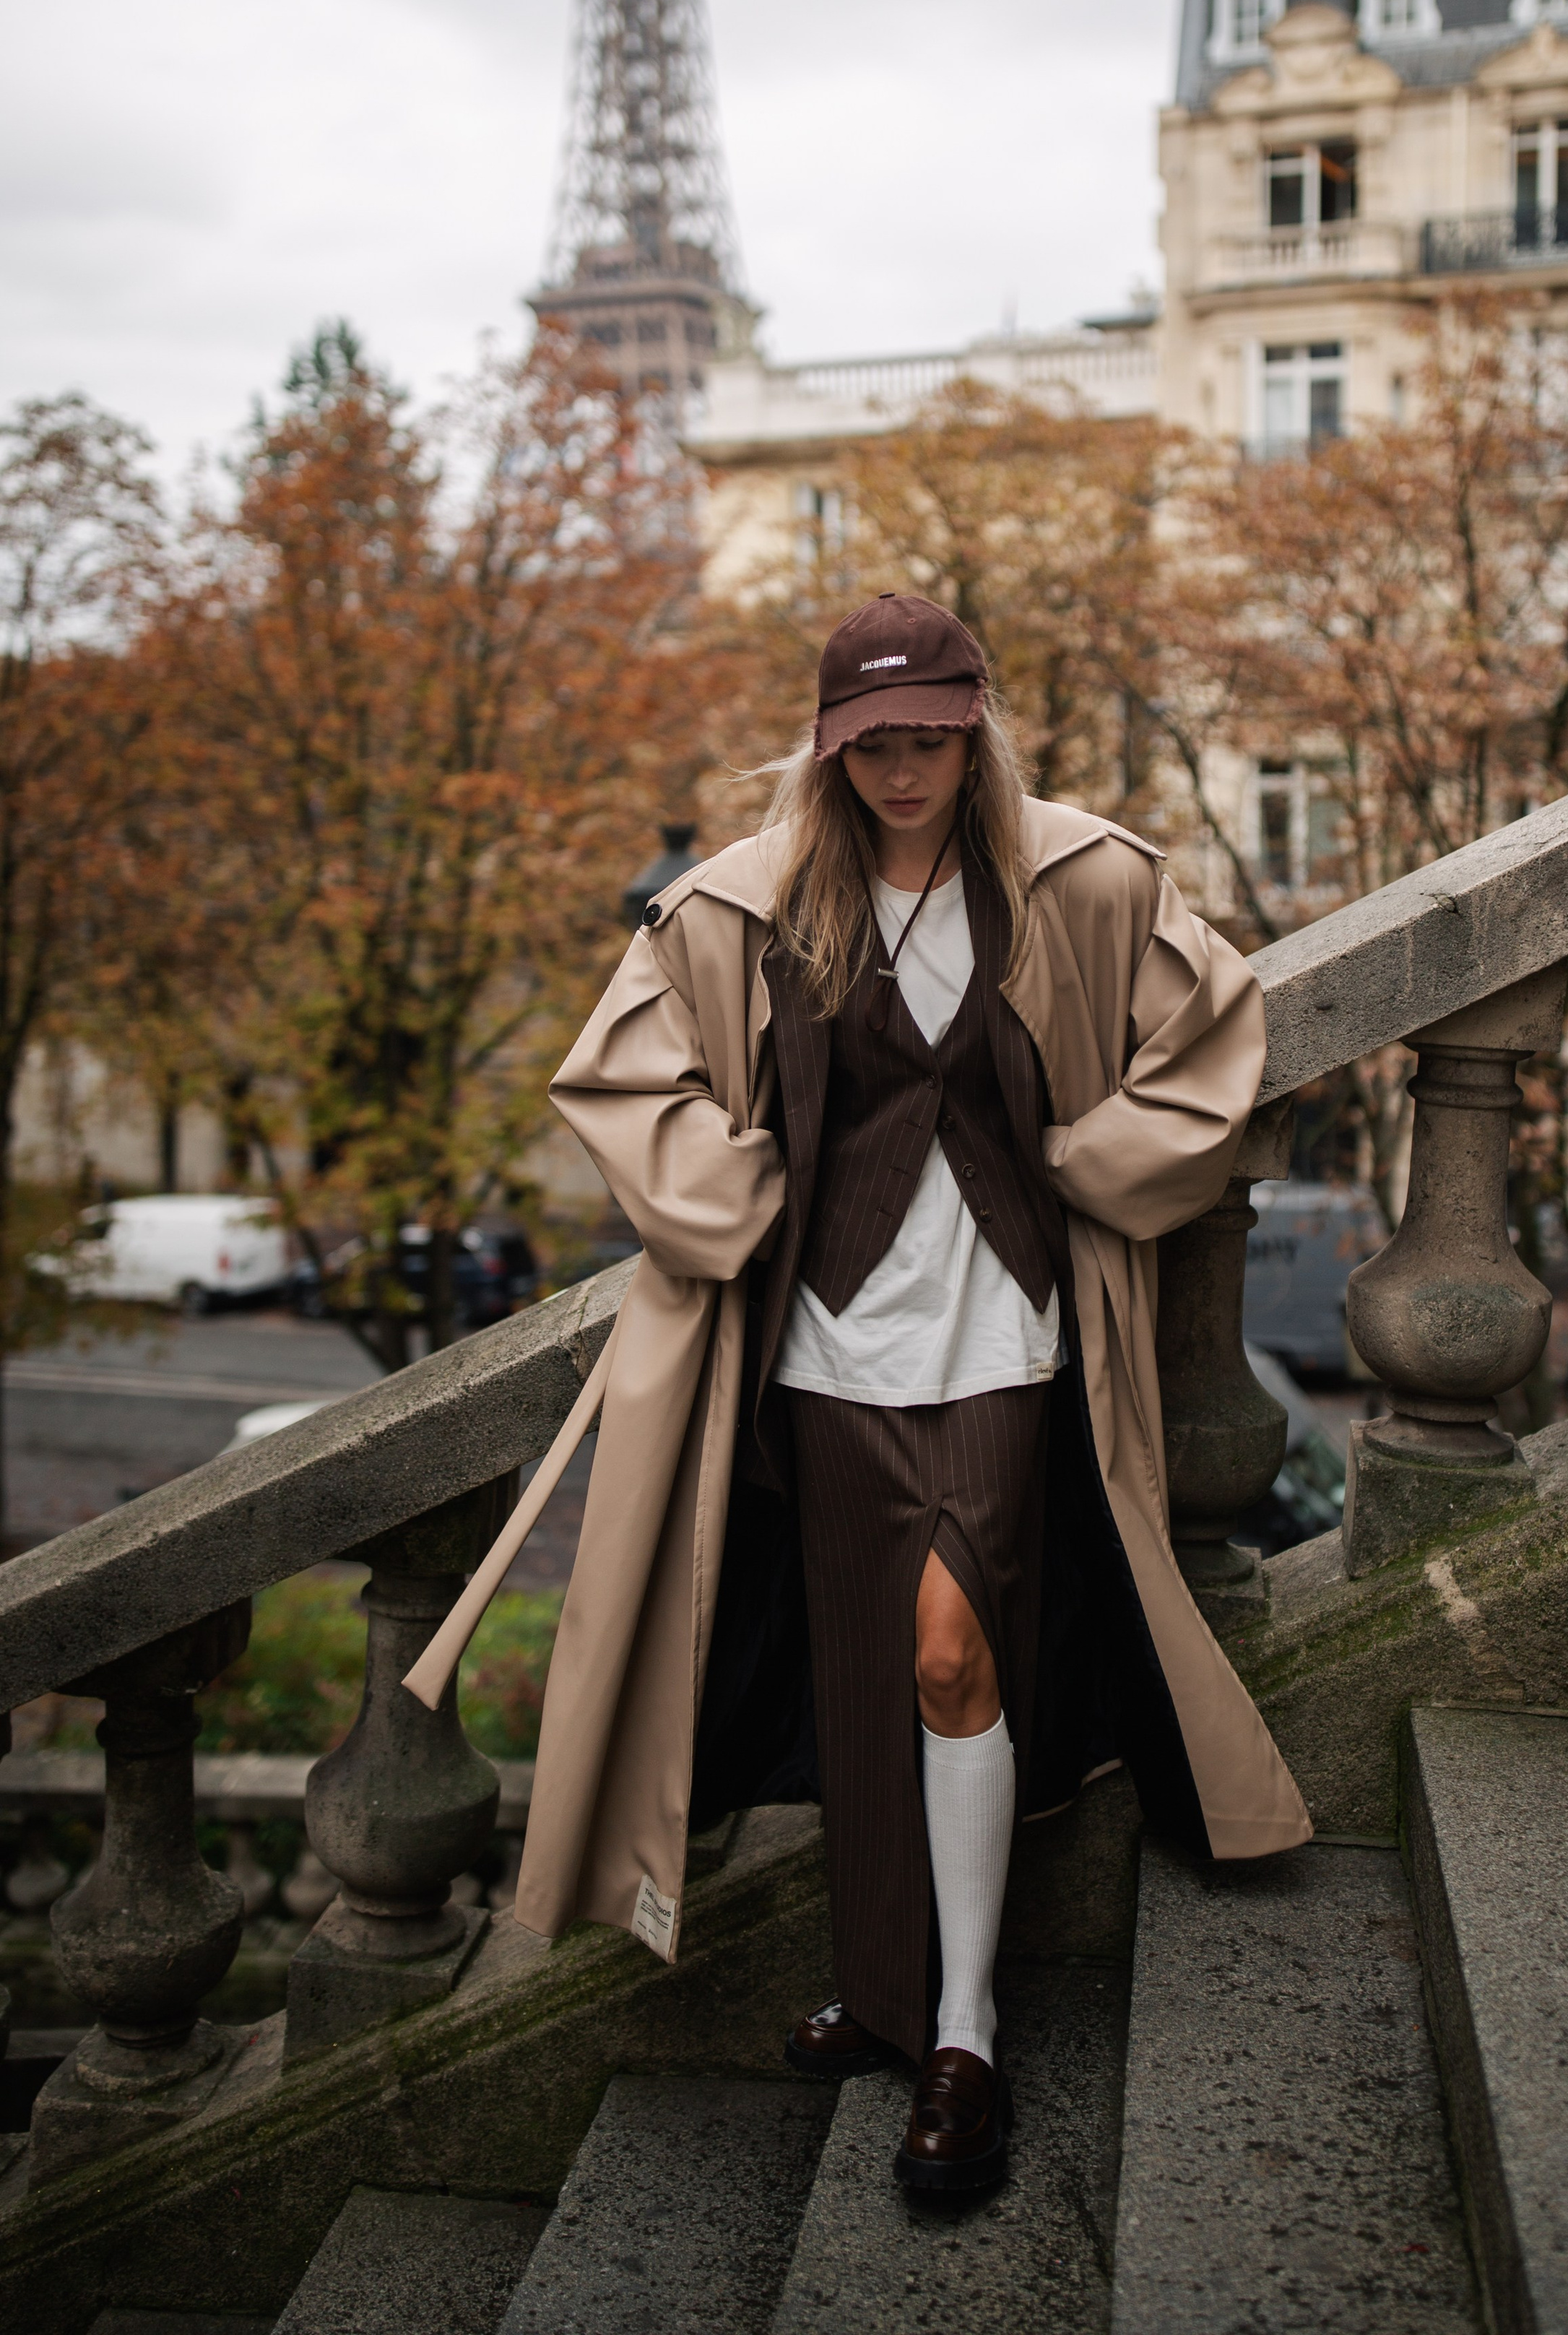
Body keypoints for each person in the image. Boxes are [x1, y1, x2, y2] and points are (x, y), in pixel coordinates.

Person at [406, 592, 1312, 2194]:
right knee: (857, 1678)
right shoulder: (746, 907)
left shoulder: (1079, 878)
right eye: (872, 745)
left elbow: (1215, 1035)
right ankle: (882, 1987)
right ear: (830, 749)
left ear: (978, 730)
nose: (903, 772)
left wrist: (1089, 1163)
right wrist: (730, 1194)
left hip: (1003, 1342)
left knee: (955, 1653)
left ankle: (961, 2026)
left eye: (930, 740)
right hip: (823, 1356)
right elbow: (620, 1076)